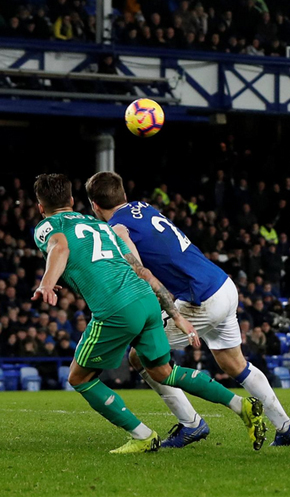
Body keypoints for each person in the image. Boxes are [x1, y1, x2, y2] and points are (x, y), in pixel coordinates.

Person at [31, 174, 265, 454]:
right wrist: (176, 316)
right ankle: (242, 405)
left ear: (40, 208)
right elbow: (142, 270)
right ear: (71, 200)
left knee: (79, 378)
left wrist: (46, 282)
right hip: (147, 300)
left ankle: (141, 435)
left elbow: (60, 246)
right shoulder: (100, 226)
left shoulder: (48, 225)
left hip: (116, 308)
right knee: (163, 371)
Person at [85, 172, 290, 447]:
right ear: (123, 196)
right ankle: (286, 427)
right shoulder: (143, 207)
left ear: (94, 205)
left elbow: (142, 272)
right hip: (222, 284)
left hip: (200, 298)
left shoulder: (117, 229)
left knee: (141, 357)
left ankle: (192, 424)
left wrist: (170, 314)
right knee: (234, 363)